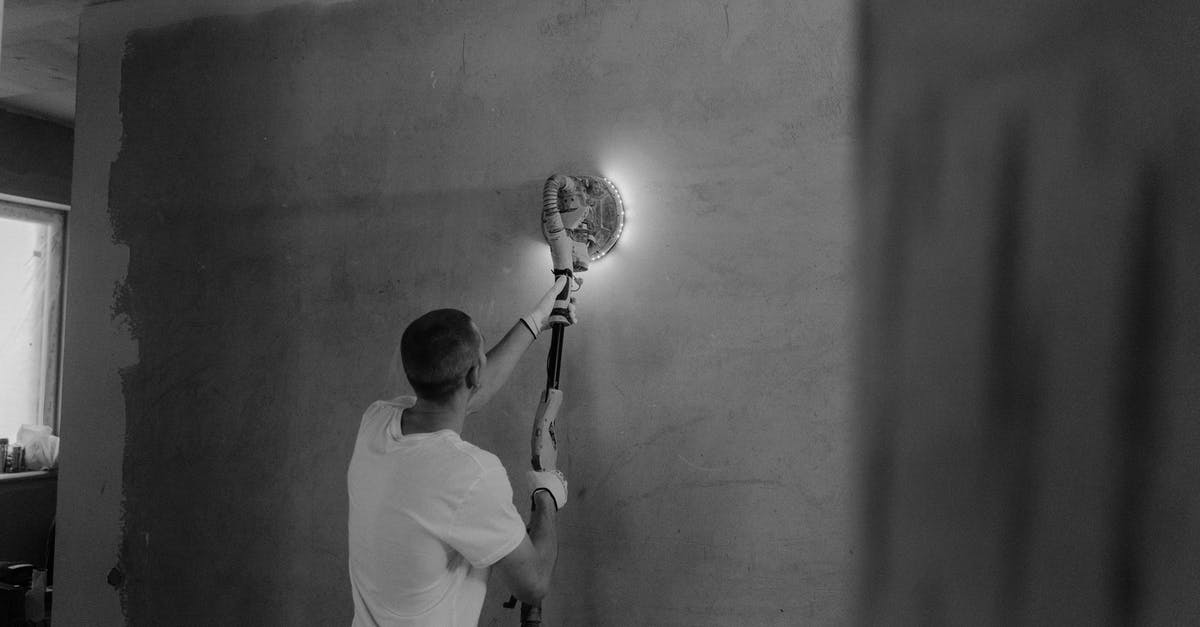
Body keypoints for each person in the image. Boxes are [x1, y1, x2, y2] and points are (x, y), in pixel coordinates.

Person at [347, 277, 575, 626]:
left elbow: (466, 395)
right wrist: (547, 493)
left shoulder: (376, 422)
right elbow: (535, 583)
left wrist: (536, 320)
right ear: (475, 372)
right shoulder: (470, 475)